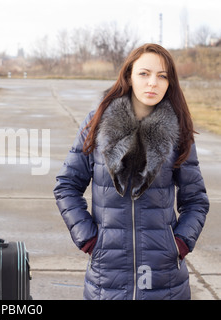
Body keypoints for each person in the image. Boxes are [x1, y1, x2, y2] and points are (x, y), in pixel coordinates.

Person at [53, 43, 209, 300]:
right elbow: (67, 186)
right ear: (128, 76)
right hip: (107, 277)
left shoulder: (178, 131)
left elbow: (196, 201)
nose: (153, 83)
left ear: (170, 83)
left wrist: (178, 244)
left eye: (162, 76)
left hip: (165, 279)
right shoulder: (97, 123)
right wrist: (90, 240)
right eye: (144, 73)